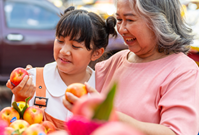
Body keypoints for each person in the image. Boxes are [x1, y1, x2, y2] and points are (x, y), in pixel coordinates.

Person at [62, 0, 199, 135]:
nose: (121, 29)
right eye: (119, 20)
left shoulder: (183, 71)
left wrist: (108, 113)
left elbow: (175, 132)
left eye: (130, 20)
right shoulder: (116, 61)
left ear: (159, 22)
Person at [6, 6, 117, 129]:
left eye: (75, 46)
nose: (64, 51)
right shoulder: (33, 80)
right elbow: (15, 127)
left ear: (96, 53)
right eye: (60, 40)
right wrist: (20, 98)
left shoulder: (100, 90)